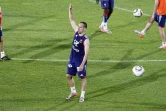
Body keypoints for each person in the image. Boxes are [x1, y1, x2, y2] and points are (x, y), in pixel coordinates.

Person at [66, 4, 90, 103]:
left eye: (80, 27)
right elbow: (72, 20)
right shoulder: (76, 32)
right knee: (68, 76)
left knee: (82, 77)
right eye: (78, 26)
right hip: (72, 58)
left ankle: (82, 95)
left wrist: (82, 65)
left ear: (84, 29)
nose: (78, 28)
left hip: (80, 60)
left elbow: (86, 54)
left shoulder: (86, 40)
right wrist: (70, 9)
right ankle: (73, 92)